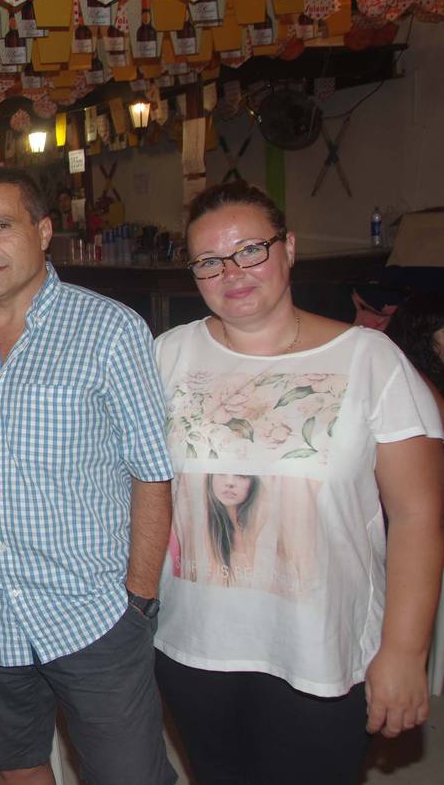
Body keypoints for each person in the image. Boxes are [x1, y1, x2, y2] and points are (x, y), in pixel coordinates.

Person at [153, 180, 444, 785]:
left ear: (288, 248)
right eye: (209, 260)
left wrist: (406, 652)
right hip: (193, 644)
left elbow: (418, 516)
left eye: (250, 250)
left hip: (321, 650)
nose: (231, 271)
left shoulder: (371, 362)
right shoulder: (164, 357)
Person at [0, 166, 176, 785]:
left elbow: (151, 475)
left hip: (94, 610)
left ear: (44, 230)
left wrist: (139, 598)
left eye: (2, 225)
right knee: (14, 768)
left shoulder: (109, 330)